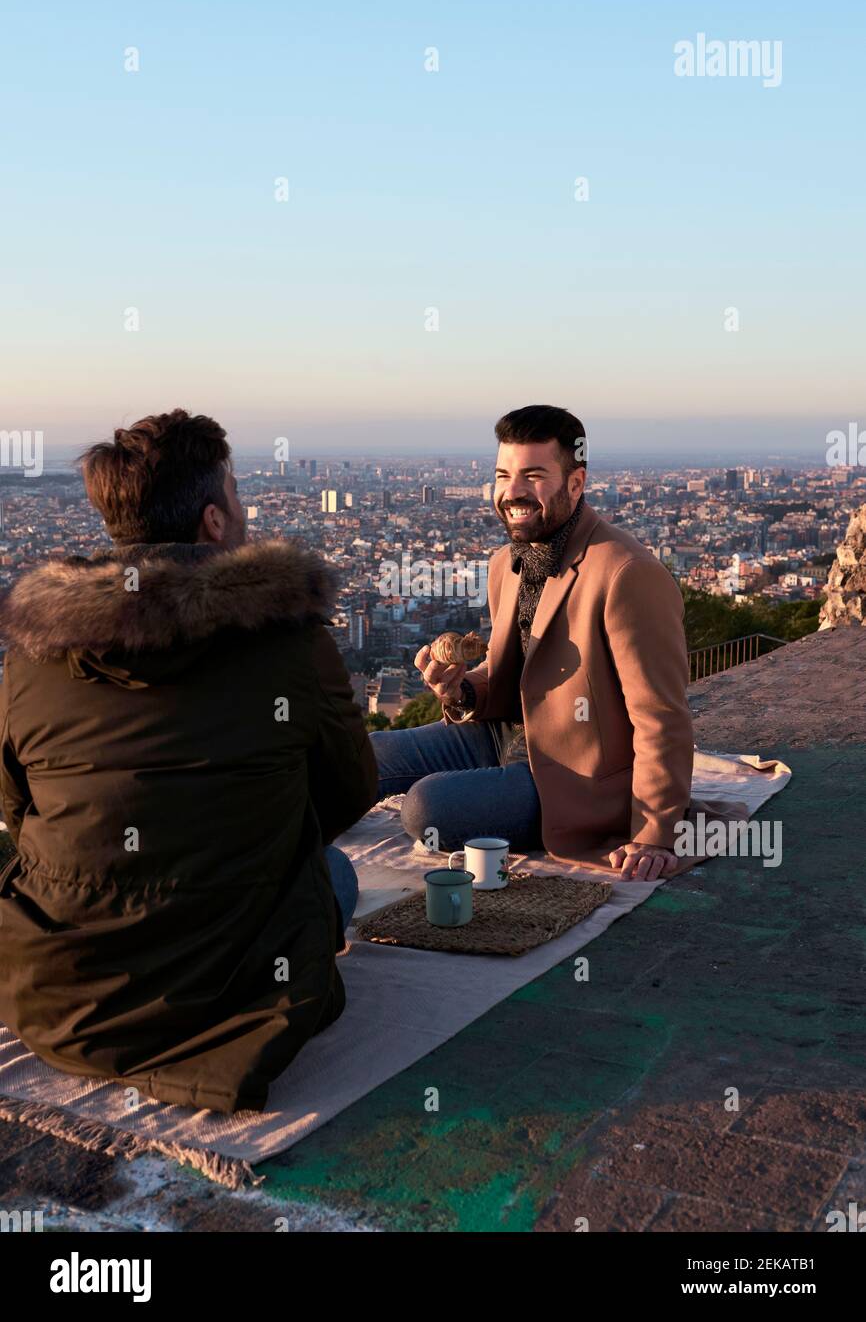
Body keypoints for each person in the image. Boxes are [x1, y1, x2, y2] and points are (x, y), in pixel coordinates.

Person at [0, 410, 376, 1113]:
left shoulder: (35, 653)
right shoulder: (289, 641)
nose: (244, 511)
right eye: (236, 494)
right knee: (336, 874)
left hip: (57, 992)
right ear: (213, 521)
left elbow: (19, 811)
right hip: (238, 999)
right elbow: (351, 791)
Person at [371, 404, 694, 881]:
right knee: (366, 756)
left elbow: (661, 714)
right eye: (503, 476)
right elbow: (515, 676)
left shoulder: (626, 573)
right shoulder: (507, 563)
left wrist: (654, 833)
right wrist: (461, 690)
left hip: (576, 775)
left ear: (576, 483)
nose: (513, 492)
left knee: (427, 807)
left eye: (534, 476)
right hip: (504, 737)